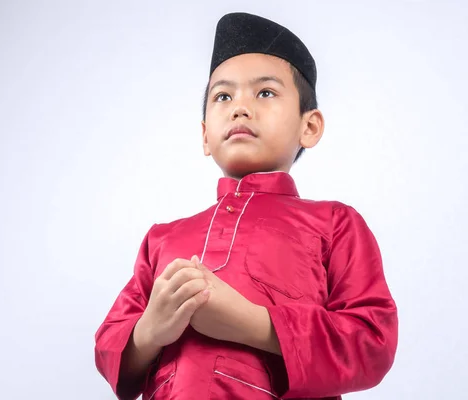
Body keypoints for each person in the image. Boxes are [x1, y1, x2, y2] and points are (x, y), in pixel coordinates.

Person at [94, 12, 398, 400]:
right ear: (205, 135)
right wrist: (150, 331)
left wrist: (254, 324)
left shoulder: (335, 223)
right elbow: (108, 345)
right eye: (223, 96)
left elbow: (373, 341)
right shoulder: (161, 239)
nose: (240, 108)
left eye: (265, 93)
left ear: (310, 127)